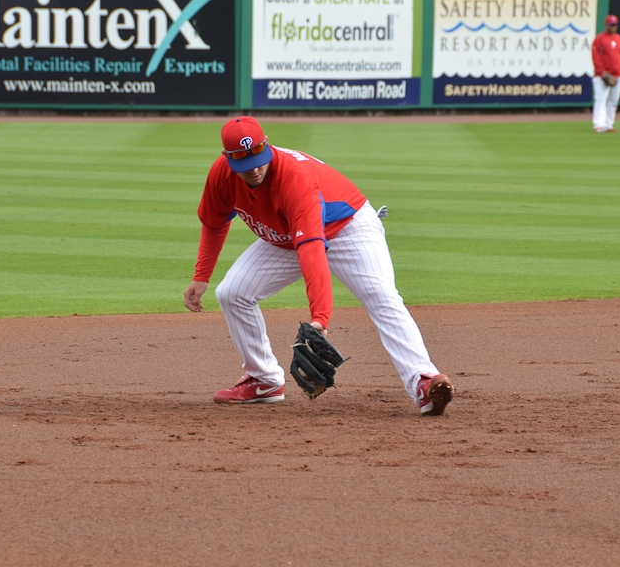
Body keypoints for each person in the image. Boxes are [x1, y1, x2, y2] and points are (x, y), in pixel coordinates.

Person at [183, 116, 454, 416]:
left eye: (259, 159)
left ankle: (423, 382)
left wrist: (320, 320)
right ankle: (263, 379)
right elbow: (214, 222)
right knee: (232, 293)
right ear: (227, 158)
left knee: (381, 296)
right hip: (289, 236)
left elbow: (312, 251)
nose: (255, 169)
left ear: (267, 145)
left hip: (349, 228)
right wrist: (201, 276)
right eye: (245, 166)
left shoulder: (293, 178)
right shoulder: (221, 176)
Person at [591, 14, 620, 133]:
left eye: (614, 25)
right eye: (610, 25)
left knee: (613, 101)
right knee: (601, 99)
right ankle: (598, 124)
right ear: (606, 25)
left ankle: (609, 124)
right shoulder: (600, 38)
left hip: (617, 75)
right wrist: (602, 71)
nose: (613, 27)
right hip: (602, 75)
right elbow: (596, 56)